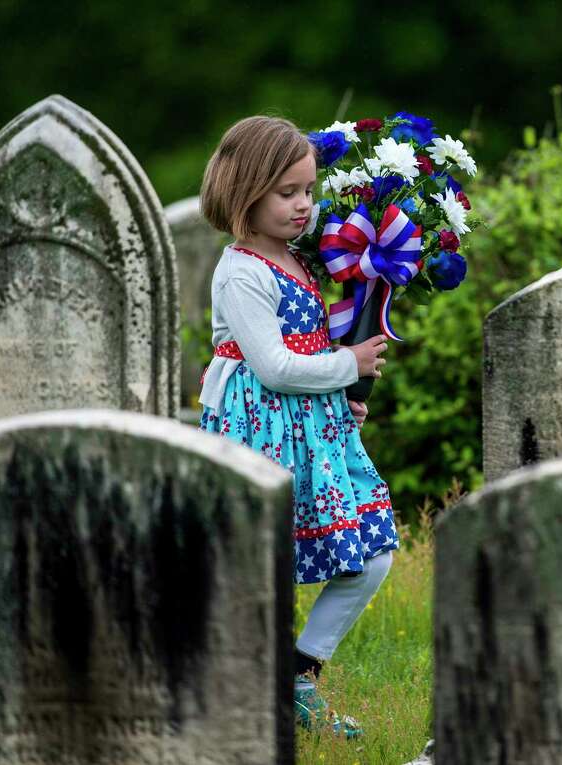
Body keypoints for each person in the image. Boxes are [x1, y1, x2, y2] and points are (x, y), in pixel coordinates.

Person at [197, 115, 398, 739]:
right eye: (287, 192)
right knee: (264, 566)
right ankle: (250, 701)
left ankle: (299, 673)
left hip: (314, 425)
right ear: (245, 193)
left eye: (308, 190)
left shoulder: (299, 259)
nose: (304, 205)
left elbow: (304, 354)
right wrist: (348, 366)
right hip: (259, 428)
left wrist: (343, 395)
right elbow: (275, 366)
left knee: (373, 553)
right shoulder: (242, 273)